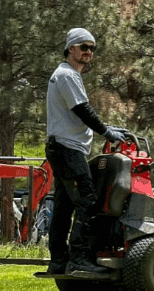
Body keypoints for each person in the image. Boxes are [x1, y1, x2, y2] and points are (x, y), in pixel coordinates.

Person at [45, 28, 126, 276]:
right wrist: (106, 132)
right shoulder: (67, 75)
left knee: (63, 206)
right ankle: (79, 259)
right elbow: (82, 109)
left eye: (92, 48)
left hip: (61, 147)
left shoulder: (65, 75)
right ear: (71, 48)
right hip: (68, 149)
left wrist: (105, 128)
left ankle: (58, 260)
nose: (88, 52)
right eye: (83, 47)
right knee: (88, 201)